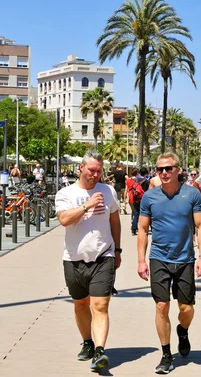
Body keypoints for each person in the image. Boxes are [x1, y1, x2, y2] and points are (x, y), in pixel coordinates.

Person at [137, 152, 201, 373]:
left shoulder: (192, 194)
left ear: (178, 169)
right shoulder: (150, 197)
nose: (164, 173)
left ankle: (183, 331)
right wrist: (141, 260)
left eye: (168, 168)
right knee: (161, 306)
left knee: (186, 308)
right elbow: (142, 229)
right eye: (160, 169)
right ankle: (166, 354)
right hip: (159, 258)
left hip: (185, 259)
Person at [55, 151, 121, 373]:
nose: (95, 174)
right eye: (92, 170)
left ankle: (101, 351)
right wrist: (87, 206)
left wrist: (118, 249)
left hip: (104, 255)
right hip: (74, 259)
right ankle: (87, 342)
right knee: (80, 304)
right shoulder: (66, 193)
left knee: (100, 306)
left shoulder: (108, 191)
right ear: (81, 168)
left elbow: (114, 220)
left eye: (99, 171)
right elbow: (64, 220)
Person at [126, 169, 144, 235]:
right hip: (138, 198)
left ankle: (133, 226)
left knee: (134, 212)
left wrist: (125, 196)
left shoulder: (128, 180)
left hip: (131, 197)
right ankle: (135, 227)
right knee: (137, 213)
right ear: (137, 173)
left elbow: (127, 188)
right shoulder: (138, 180)